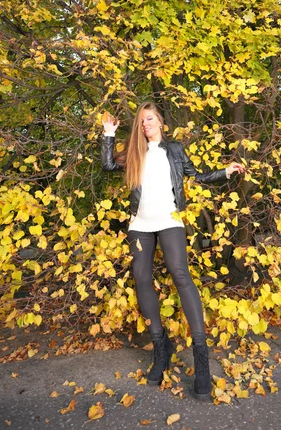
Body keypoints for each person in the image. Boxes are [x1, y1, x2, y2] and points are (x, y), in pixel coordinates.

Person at [101, 101, 244, 399]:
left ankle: (201, 359)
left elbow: (195, 175)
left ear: (161, 122)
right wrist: (109, 135)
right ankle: (161, 347)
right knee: (140, 277)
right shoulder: (135, 152)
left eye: (149, 119)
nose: (145, 125)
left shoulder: (175, 150)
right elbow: (108, 165)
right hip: (140, 224)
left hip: (169, 220)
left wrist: (224, 172)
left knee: (180, 274)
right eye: (141, 121)